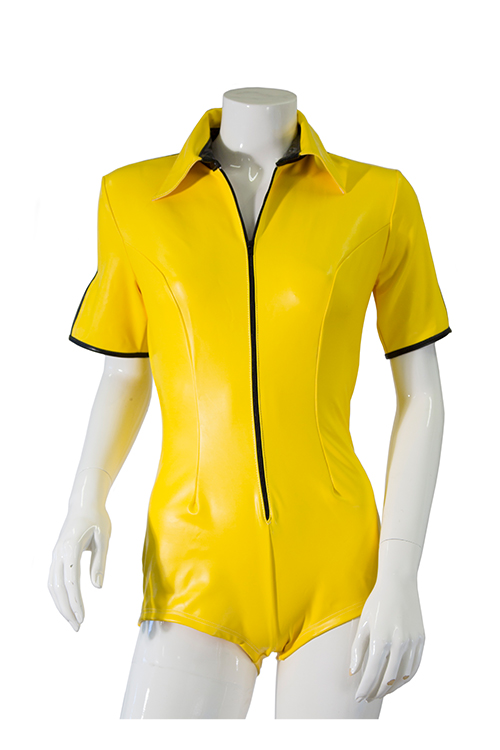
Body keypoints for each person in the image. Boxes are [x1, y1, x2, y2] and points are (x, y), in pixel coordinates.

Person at [48, 87, 451, 719]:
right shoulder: (132, 198)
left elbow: (421, 393)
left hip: (338, 566)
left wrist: (401, 570)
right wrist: (84, 499)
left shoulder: (379, 199)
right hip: (193, 561)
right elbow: (124, 374)